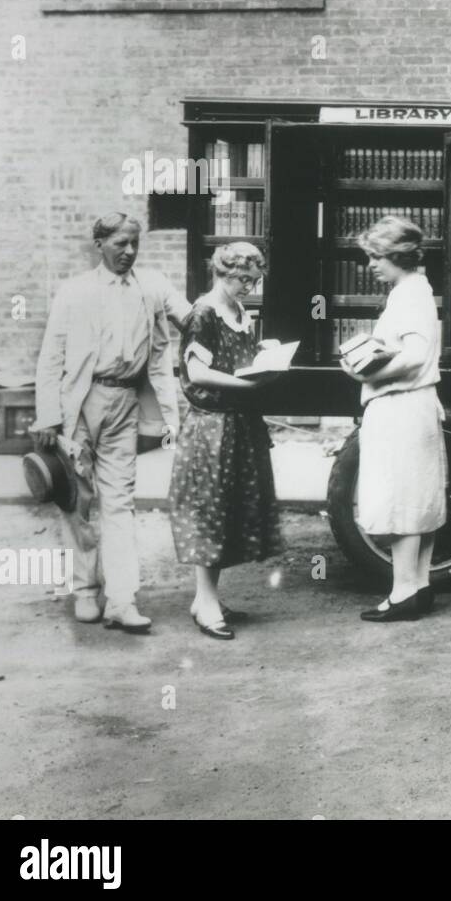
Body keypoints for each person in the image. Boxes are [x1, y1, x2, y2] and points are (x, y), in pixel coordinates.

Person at [32, 212, 191, 633]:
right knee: (79, 499)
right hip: (80, 403)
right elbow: (51, 356)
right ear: (99, 243)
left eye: (135, 243)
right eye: (121, 243)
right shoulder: (75, 292)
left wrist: (229, 301)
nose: (130, 251)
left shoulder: (151, 285)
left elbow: (191, 317)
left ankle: (122, 599)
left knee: (120, 501)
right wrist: (49, 414)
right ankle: (85, 589)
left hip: (124, 402)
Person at [167, 242, 281, 640]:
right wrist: (245, 386)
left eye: (254, 279)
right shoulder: (204, 313)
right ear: (223, 273)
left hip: (238, 423)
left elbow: (235, 360)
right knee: (210, 512)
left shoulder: (239, 312)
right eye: (243, 279)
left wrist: (263, 358)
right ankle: (206, 601)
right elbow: (197, 373)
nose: (250, 286)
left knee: (229, 510)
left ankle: (206, 599)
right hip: (213, 425)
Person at [341, 216, 447, 623]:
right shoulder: (411, 291)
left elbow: (416, 355)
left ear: (398, 256)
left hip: (402, 404)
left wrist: (364, 372)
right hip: (410, 404)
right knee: (416, 497)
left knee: (403, 500)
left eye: (377, 256)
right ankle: (418, 585)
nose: (371, 264)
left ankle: (403, 592)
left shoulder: (410, 295)